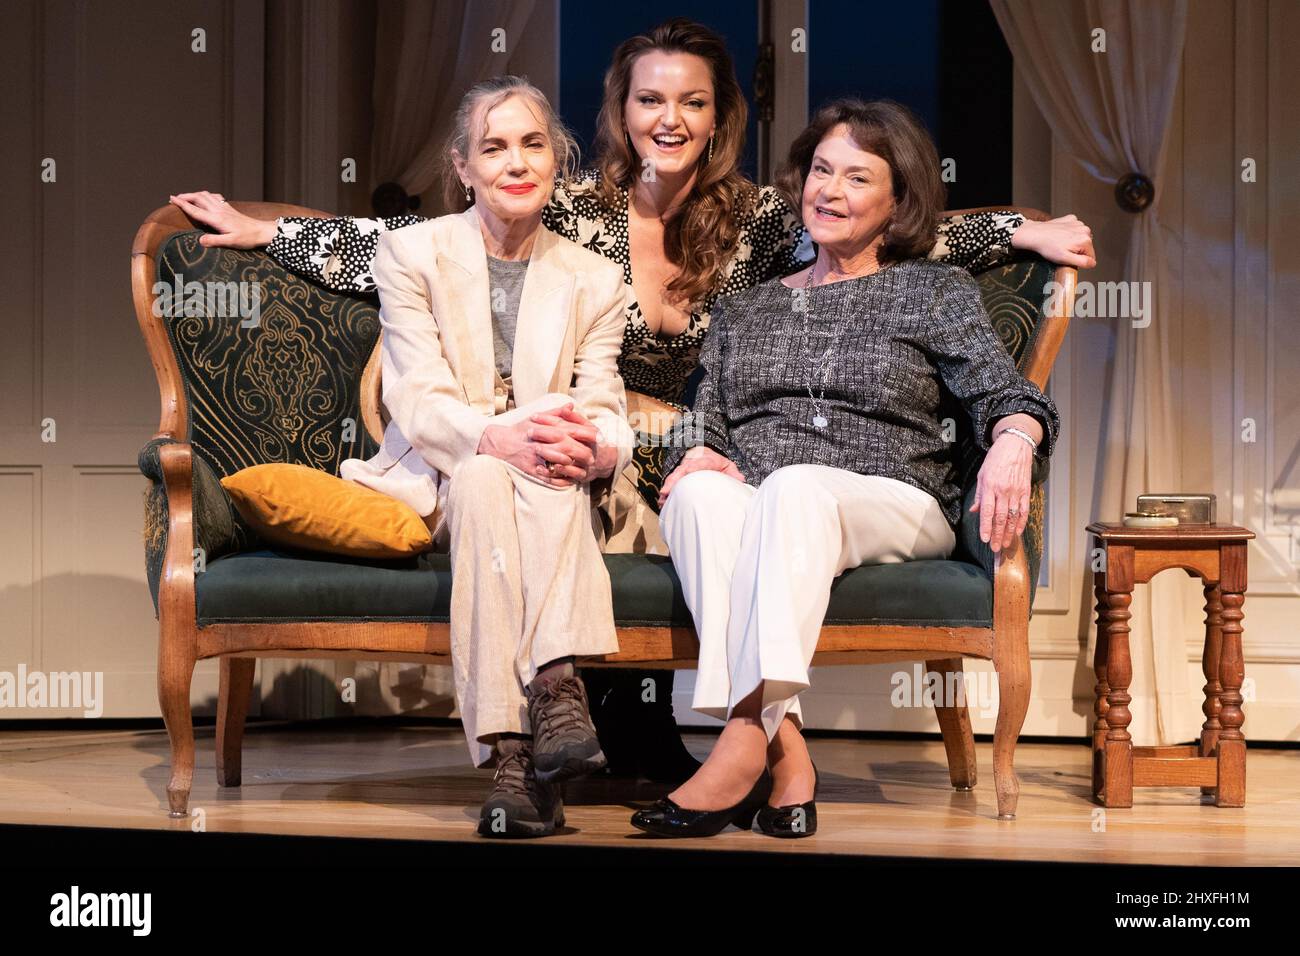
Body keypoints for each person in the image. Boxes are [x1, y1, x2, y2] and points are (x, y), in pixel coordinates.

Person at [168, 18, 1093, 784]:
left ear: (721, 114)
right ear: (621, 111)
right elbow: (406, 240)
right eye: (650, 98)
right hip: (587, 433)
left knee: (693, 490)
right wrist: (269, 230)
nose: (670, 117)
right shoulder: (572, 209)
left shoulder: (762, 220)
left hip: (702, 439)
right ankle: (627, 736)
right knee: (595, 484)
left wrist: (1024, 227)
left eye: (693, 100)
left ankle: (706, 740)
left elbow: (891, 222)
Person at [630, 98, 1062, 839]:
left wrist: (1016, 444)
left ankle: (738, 741)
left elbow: (1008, 393)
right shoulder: (748, 308)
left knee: (795, 486)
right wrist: (695, 448)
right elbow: (702, 415)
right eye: (821, 170)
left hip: (894, 499)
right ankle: (788, 756)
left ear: (899, 202)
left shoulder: (932, 290)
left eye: (857, 177)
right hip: (769, 497)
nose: (829, 190)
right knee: (698, 494)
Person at [335, 75, 634, 838]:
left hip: (550, 484)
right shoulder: (412, 253)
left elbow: (602, 403)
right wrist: (498, 436)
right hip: (442, 475)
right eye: (493, 147)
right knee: (479, 470)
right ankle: (558, 690)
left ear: (556, 161)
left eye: (533, 144)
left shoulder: (595, 279)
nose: (516, 162)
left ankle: (512, 762)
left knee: (543, 468)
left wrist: (592, 445)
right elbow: (418, 396)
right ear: (463, 167)